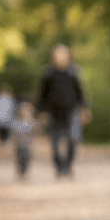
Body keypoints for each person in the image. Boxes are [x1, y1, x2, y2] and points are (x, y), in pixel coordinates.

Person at [37, 44, 87, 179]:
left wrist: (84, 108)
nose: (61, 57)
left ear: (68, 56)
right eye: (58, 54)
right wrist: (42, 112)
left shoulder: (73, 72)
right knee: (55, 142)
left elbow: (79, 91)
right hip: (53, 112)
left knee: (73, 139)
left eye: (63, 54)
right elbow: (42, 94)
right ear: (53, 57)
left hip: (71, 110)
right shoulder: (48, 73)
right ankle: (59, 167)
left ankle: (68, 165)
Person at [12, 100, 36, 179]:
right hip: (18, 145)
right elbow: (14, 133)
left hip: (27, 145)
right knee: (19, 159)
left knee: (27, 159)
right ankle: (20, 172)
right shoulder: (17, 121)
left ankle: (25, 172)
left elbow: (33, 133)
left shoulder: (32, 122)